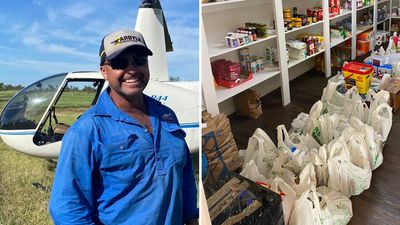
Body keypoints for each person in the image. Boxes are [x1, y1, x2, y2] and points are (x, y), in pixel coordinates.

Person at [49, 30, 198, 225]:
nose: (132, 69)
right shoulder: (86, 130)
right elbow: (67, 208)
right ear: (104, 71)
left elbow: (184, 175)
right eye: (120, 63)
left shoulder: (166, 116)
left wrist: (191, 217)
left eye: (139, 59)